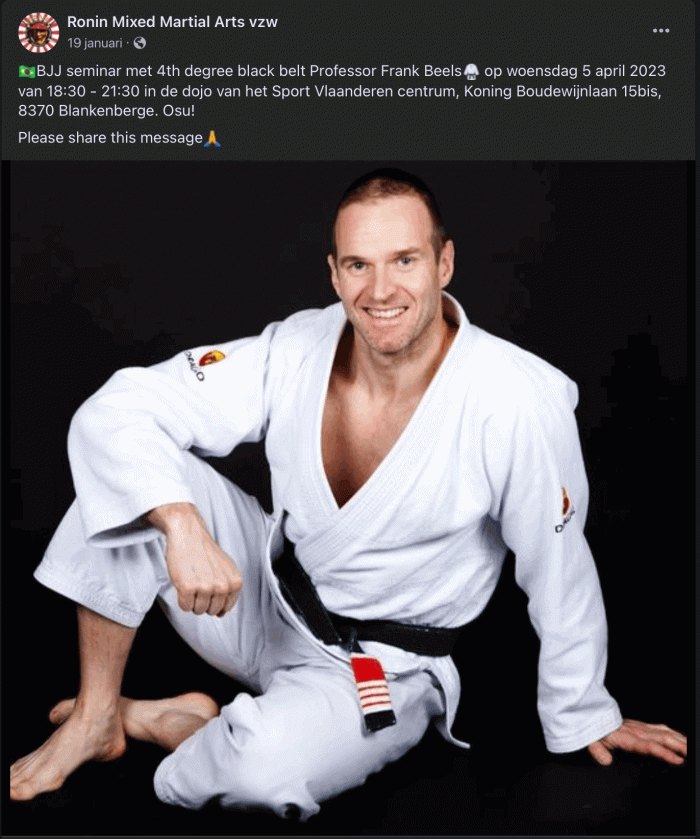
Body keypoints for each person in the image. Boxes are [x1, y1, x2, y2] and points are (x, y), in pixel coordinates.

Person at [9, 169, 686, 818]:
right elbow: (120, 409)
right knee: (128, 480)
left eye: (404, 260)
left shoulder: (515, 400)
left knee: (261, 772)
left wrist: (581, 713)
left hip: (380, 668)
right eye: (359, 264)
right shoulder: (296, 347)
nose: (380, 289)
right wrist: (180, 523)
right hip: (262, 600)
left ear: (444, 263)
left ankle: (176, 723)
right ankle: (97, 715)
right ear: (335, 274)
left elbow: (558, 565)